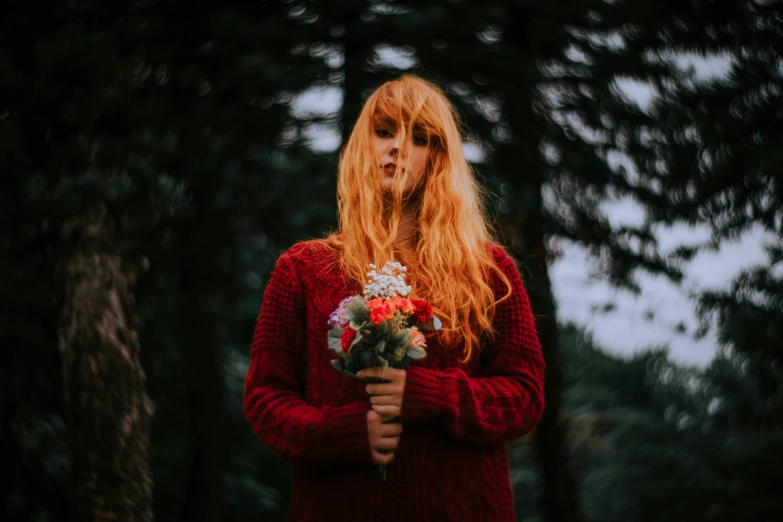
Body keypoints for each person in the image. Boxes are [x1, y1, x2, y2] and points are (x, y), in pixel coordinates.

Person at [243, 74, 545, 521]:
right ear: (364, 145)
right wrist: (344, 433)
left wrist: (435, 395)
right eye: (385, 132)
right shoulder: (304, 269)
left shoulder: (488, 271)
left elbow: (524, 396)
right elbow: (267, 400)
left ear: (437, 158)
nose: (398, 147)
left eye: (419, 137)